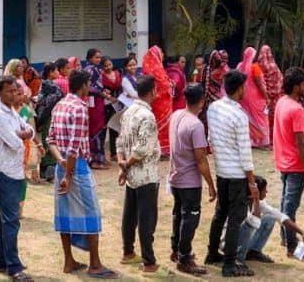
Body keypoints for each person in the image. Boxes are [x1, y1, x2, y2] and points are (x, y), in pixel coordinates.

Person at [47, 69, 117, 279]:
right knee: (91, 212)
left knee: (65, 213)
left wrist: (61, 164)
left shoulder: (59, 105)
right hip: (75, 167)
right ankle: (94, 264)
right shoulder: (79, 108)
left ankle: (69, 260)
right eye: (88, 84)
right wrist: (69, 175)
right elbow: (74, 147)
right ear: (83, 85)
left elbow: (51, 140)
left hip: (63, 165)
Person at [204, 70, 260, 278]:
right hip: (236, 174)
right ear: (239, 89)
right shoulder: (239, 115)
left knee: (220, 214)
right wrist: (252, 183)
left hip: (221, 171)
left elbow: (210, 138)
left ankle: (211, 253)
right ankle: (229, 264)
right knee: (236, 218)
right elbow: (245, 153)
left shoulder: (213, 108)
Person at [0, 77, 34, 282]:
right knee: (11, 220)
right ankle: (14, 267)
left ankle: (3, 261)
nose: (13, 94)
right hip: (5, 171)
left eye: (15, 91)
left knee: (5, 218)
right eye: (9, 91)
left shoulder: (13, 112)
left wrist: (22, 133)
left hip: (16, 170)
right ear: (0, 93)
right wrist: (22, 135)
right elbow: (15, 143)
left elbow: (30, 131)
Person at [168, 83, 215, 275]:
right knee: (190, 218)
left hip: (175, 176)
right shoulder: (196, 125)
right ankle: (184, 257)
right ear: (202, 102)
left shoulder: (176, 115)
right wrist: (211, 185)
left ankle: (176, 251)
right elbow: (201, 159)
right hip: (189, 181)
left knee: (178, 214)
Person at [270, 67, 304, 260]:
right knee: (290, 206)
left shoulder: (282, 102)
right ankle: (291, 246)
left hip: (283, 162)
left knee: (285, 202)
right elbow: (301, 144)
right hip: (295, 165)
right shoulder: (296, 109)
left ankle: (285, 238)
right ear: (296, 86)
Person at [117, 74, 161, 273]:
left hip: (132, 174)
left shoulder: (128, 112)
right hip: (146, 174)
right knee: (146, 218)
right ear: (152, 91)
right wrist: (127, 163)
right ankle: (149, 262)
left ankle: (128, 252)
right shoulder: (147, 116)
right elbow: (143, 149)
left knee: (130, 215)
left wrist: (123, 164)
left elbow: (120, 141)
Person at [237, 176, 304, 263]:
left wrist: (302, 233)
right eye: (264, 190)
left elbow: (280, 217)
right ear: (256, 191)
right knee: (250, 224)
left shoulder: (259, 203)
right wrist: (256, 199)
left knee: (269, 218)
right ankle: (238, 259)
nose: (266, 192)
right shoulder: (241, 204)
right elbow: (254, 223)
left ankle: (253, 252)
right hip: (232, 245)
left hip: (242, 241)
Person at [34, 62, 64, 181]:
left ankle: (48, 172)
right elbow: (44, 104)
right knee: (49, 142)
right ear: (51, 73)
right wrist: (41, 120)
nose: (58, 73)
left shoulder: (50, 85)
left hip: (52, 117)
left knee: (51, 141)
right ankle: (48, 173)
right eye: (56, 70)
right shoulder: (48, 86)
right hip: (48, 118)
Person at [141, 46, 173, 155]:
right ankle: (160, 149)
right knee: (159, 127)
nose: (162, 54)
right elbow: (162, 85)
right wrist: (168, 85)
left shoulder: (158, 68)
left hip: (163, 103)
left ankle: (164, 149)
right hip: (158, 103)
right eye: (160, 52)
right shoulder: (154, 70)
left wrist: (169, 84)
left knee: (165, 127)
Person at [238, 47, 270, 149]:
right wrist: (267, 97)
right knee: (261, 119)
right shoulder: (254, 67)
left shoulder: (240, 66)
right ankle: (261, 142)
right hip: (256, 98)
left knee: (248, 120)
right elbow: (260, 85)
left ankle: (251, 141)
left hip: (243, 97)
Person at [83, 50, 109, 169]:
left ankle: (99, 158)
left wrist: (103, 91)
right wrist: (101, 93)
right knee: (95, 128)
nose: (98, 59)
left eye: (100, 57)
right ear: (89, 58)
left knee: (99, 127)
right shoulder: (89, 70)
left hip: (98, 101)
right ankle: (94, 159)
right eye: (96, 57)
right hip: (92, 101)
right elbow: (88, 87)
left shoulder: (98, 69)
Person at [257, 46, 283, 142]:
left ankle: (264, 139)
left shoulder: (258, 67)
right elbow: (280, 81)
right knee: (273, 119)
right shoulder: (274, 67)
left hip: (262, 98)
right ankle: (272, 139)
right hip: (274, 99)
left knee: (264, 119)